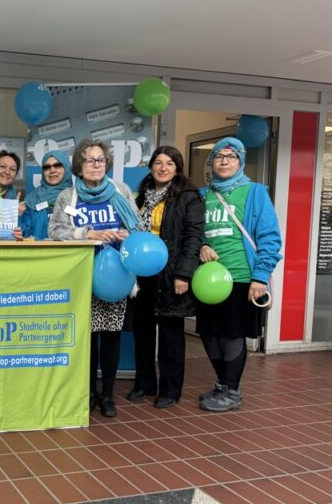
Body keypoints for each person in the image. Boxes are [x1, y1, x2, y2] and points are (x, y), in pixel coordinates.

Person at [49, 138, 141, 418]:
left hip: (116, 276)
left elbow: (138, 226)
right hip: (81, 275)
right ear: (79, 165)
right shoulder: (68, 196)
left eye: (100, 160)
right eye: (89, 160)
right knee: (86, 337)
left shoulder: (121, 191)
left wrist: (127, 235)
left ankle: (108, 395)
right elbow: (55, 230)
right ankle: (88, 391)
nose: (96, 165)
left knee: (112, 335)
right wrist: (88, 234)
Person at [197, 137, 282, 412]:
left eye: (231, 156)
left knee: (232, 335)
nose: (224, 161)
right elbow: (193, 232)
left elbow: (270, 237)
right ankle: (223, 383)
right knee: (209, 334)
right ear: (211, 162)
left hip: (241, 276)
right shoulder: (203, 195)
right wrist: (201, 245)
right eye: (219, 156)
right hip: (207, 280)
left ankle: (232, 391)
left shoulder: (255, 193)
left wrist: (260, 277)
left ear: (240, 161)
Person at [128, 146, 204, 408]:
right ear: (150, 166)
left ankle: (170, 390)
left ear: (177, 168)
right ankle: (145, 383)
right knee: (143, 332)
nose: (163, 168)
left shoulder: (188, 197)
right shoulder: (139, 197)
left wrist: (183, 274)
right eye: (158, 162)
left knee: (171, 336)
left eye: (169, 163)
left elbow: (194, 238)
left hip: (172, 275)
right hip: (142, 275)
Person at [19, 150, 72, 239]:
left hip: (69, 252)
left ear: (66, 168)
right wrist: (18, 216)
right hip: (39, 251)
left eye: (57, 165)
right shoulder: (32, 199)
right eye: (47, 167)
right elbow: (24, 234)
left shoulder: (76, 197)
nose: (52, 170)